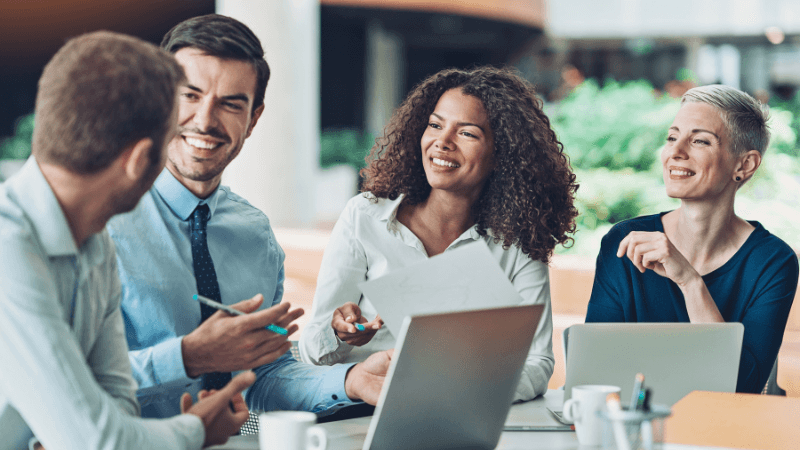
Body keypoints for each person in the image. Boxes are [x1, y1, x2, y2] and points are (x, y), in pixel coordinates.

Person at [106, 14, 391, 421]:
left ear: (253, 119)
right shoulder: (99, 220)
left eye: (230, 104)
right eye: (190, 96)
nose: (205, 120)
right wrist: (189, 357)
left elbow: (264, 375)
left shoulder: (254, 234)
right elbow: (64, 380)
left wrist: (349, 380)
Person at [0, 31, 255, 450]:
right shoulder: (8, 244)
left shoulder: (96, 246)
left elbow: (116, 408)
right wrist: (192, 430)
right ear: (140, 160)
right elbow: (97, 439)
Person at [299, 66, 580, 401]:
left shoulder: (516, 242)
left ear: (502, 155)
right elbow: (313, 352)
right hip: (362, 410)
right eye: (435, 125)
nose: (442, 142)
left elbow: (536, 361)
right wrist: (339, 334)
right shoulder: (366, 217)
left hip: (463, 414)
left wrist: (470, 391)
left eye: (468, 134)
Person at [585, 84, 799, 394]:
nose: (675, 152)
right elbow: (594, 368)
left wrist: (689, 281)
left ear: (745, 164)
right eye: (672, 137)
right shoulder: (624, 241)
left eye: (699, 140)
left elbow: (743, 387)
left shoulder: (772, 262)